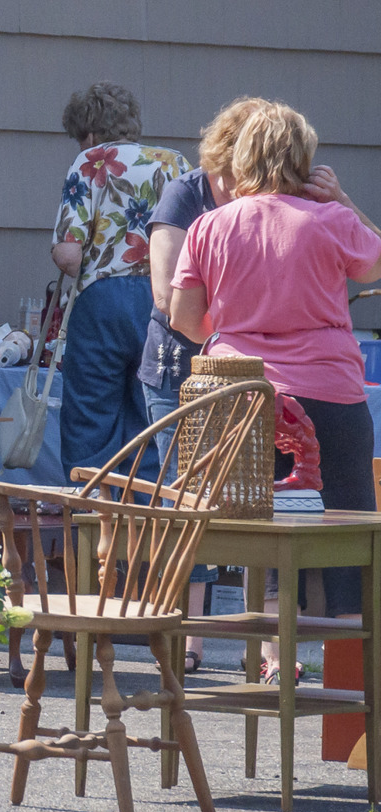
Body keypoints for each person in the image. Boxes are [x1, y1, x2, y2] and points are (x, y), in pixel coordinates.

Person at [171, 102, 381, 682]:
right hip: (329, 391)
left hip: (239, 397)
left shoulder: (210, 226)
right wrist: (340, 201)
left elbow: (186, 318)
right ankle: (353, 672)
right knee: (348, 523)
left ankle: (272, 660)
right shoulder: (330, 221)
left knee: (260, 528)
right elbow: (374, 263)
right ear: (303, 160)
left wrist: (240, 326)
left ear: (240, 159)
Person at [144, 97, 268, 674]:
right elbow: (167, 298)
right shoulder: (184, 195)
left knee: (257, 507)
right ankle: (185, 645)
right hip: (179, 372)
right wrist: (243, 325)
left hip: (247, 376)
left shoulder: (268, 200)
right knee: (186, 502)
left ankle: (264, 650)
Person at [52, 82, 192, 484]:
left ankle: (93, 527)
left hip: (103, 304)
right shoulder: (177, 164)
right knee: (153, 420)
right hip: (166, 303)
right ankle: (148, 532)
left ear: (91, 134)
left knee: (89, 423)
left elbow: (70, 255)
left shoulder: (90, 161)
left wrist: (58, 251)